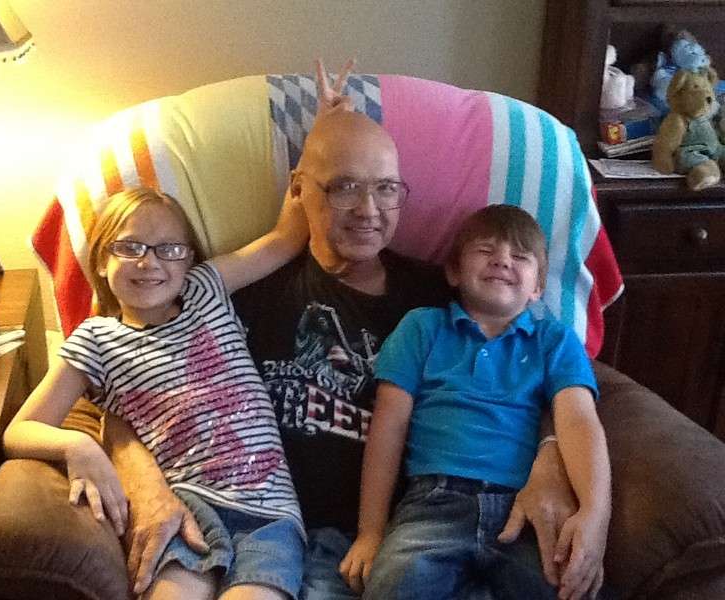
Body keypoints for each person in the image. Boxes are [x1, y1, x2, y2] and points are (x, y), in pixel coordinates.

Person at [104, 61, 588, 600]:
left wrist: (550, 457)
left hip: (410, 544)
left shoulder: (441, 296)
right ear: (299, 189)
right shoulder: (246, 292)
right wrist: (143, 485)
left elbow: (541, 366)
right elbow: (131, 381)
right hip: (264, 529)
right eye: (344, 187)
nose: (368, 210)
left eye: (386, 188)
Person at [3, 187, 310, 600]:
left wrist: (304, 177)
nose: (149, 262)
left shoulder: (205, 287)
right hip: (185, 509)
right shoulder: (96, 339)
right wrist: (78, 446)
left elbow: (285, 239)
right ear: (102, 259)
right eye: (130, 247)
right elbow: (20, 430)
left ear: (189, 260)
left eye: (169, 249)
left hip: (269, 514)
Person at [340, 205, 611, 600]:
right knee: (393, 584)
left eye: (520, 256)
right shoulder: (421, 328)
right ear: (453, 271)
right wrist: (370, 532)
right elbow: (388, 429)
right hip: (432, 505)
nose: (502, 260)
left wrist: (594, 514)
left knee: (567, 587)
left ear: (538, 287)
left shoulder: (555, 340)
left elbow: (579, 422)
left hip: (524, 509)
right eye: (486, 250)